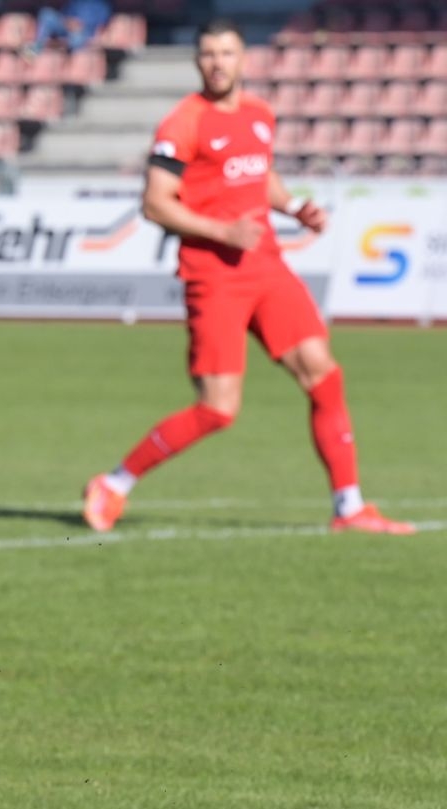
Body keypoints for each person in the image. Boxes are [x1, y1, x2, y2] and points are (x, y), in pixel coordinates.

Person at [81, 20, 411, 536]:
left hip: (266, 265)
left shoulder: (259, 113)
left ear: (243, 60)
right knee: (218, 409)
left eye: (227, 53)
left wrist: (295, 205)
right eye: (208, 53)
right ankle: (115, 483)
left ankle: (349, 508)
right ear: (198, 62)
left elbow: (261, 175)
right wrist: (220, 231)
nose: (218, 62)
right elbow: (155, 203)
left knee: (325, 376)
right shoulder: (183, 122)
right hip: (213, 274)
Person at [26, 0, 111, 56]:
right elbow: (65, 12)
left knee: (78, 38)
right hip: (66, 26)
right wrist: (67, 21)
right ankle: (37, 47)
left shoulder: (102, 5)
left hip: (84, 33)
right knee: (47, 14)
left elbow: (101, 24)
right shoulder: (77, 2)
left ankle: (63, 51)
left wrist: (80, 26)